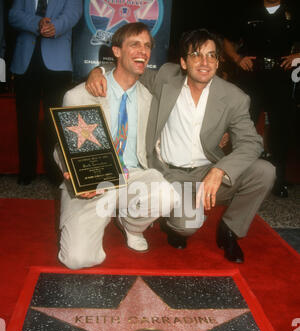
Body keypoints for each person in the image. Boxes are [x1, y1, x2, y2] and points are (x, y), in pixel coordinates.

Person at [86, 28, 276, 264]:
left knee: (264, 171)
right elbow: (126, 70)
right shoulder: (166, 77)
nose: (205, 62)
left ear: (218, 62)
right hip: (170, 174)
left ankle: (229, 229)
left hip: (208, 173)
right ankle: (173, 224)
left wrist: (220, 170)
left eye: (212, 55)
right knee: (186, 225)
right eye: (196, 55)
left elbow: (251, 142)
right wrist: (98, 71)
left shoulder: (234, 97)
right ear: (184, 62)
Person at [54, 23, 179, 270]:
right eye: (134, 44)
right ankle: (99, 219)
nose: (142, 51)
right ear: (117, 52)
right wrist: (72, 172)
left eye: (147, 46)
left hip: (133, 175)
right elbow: (61, 148)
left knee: (167, 194)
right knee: (77, 260)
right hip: (95, 182)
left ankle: (130, 224)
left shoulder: (150, 99)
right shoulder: (79, 96)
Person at [223, 0, 300, 198]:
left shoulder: (293, 11)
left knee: (281, 130)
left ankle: (279, 179)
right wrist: (238, 59)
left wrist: (298, 56)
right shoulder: (247, 9)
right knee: (243, 126)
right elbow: (227, 41)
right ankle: (236, 179)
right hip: (252, 76)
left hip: (280, 75)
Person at [8, 0, 83, 185]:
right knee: (26, 120)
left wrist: (55, 27)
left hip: (58, 65)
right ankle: (27, 171)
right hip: (25, 63)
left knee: (55, 122)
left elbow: (74, 13)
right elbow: (13, 15)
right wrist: (37, 23)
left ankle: (56, 172)